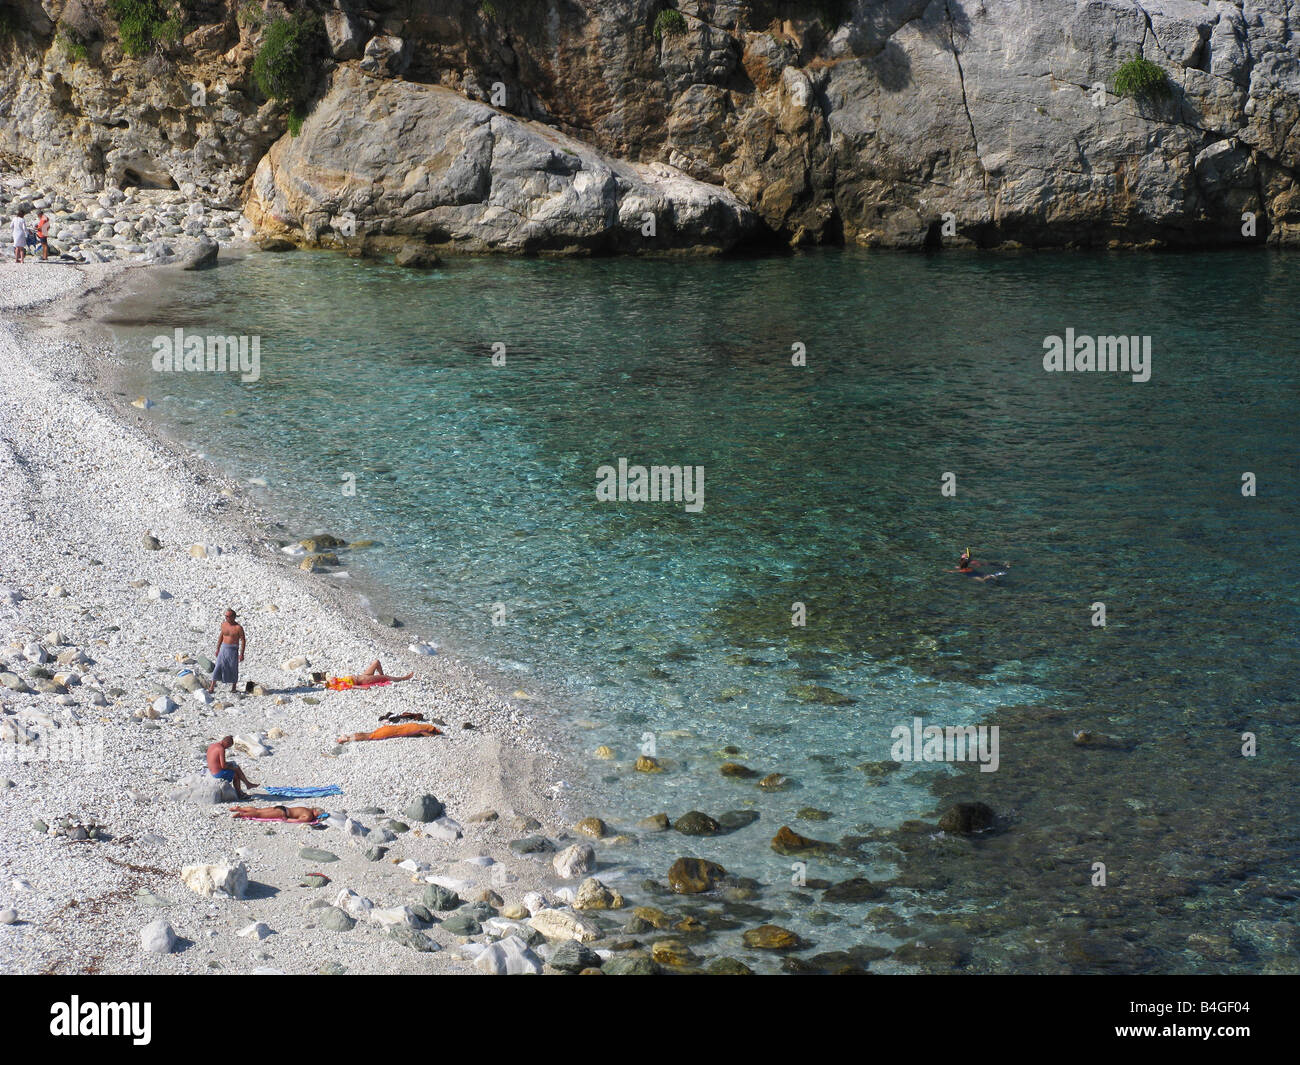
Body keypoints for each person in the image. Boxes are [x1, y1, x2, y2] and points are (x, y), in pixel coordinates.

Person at [208, 608, 246, 693]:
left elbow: (243, 640)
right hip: (223, 648)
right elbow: (221, 635)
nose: (226, 618)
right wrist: (218, 648)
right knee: (218, 666)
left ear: (233, 617)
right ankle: (212, 687)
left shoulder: (238, 627)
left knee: (233, 667)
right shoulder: (224, 624)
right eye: (226, 616)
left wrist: (242, 653)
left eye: (228, 616)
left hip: (233, 649)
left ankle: (233, 687)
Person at [324, 659, 414, 689]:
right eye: (330, 680)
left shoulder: (336, 680)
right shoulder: (341, 684)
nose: (331, 678)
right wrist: (363, 688)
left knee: (376, 662)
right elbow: (352, 686)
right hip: (363, 680)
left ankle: (381, 676)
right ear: (332, 684)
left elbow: (327, 678)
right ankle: (403, 678)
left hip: (363, 675)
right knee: (387, 677)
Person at [336, 721, 443, 744]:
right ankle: (348, 739)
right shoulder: (420, 729)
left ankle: (349, 736)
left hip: (389, 728)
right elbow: (426, 734)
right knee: (370, 737)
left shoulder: (416, 725)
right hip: (390, 731)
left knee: (370, 733)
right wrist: (433, 736)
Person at [231, 805, 322, 823]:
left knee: (259, 810)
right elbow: (299, 820)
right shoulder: (309, 815)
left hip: (283, 807)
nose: (317, 816)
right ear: (316, 812)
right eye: (318, 814)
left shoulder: (306, 808)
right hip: (283, 813)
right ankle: (241, 814)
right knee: (259, 814)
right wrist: (287, 820)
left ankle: (240, 808)